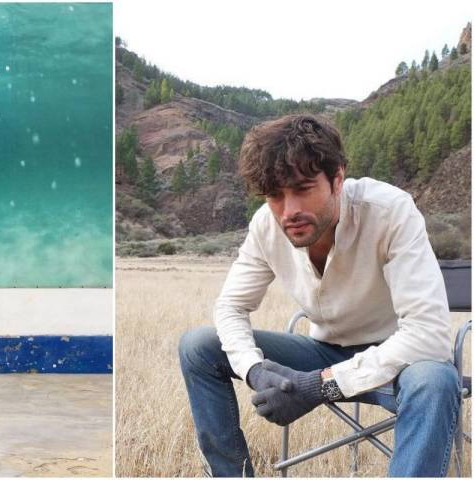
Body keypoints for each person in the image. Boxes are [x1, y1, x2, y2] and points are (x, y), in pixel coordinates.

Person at [179, 115, 458, 477]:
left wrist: (319, 385)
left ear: (338, 179)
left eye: (303, 188)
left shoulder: (390, 211)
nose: (289, 210)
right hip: (323, 351)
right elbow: (230, 306)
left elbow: (429, 336)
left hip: (400, 364)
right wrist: (254, 370)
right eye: (275, 195)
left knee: (434, 380)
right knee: (198, 345)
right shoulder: (266, 224)